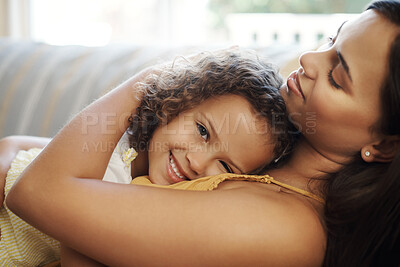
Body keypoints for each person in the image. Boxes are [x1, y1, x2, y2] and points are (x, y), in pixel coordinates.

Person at [5, 0, 400, 265]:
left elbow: (37, 192)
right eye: (331, 40)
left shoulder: (287, 229)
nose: (308, 58)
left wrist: (155, 80)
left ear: (382, 144)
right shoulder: (266, 155)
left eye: (336, 76)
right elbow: (88, 164)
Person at [0, 49, 298, 266]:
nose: (197, 161)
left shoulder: (162, 215)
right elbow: (22, 148)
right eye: (202, 131)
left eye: (223, 165)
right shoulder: (122, 137)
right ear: (180, 101)